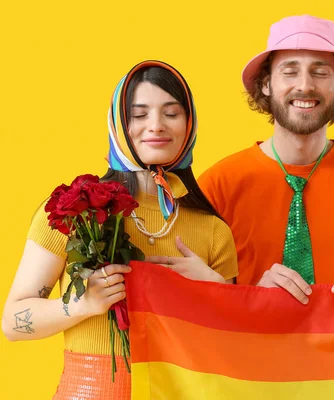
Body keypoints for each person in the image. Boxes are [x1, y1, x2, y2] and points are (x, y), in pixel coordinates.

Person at [2, 60, 238, 398]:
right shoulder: (74, 210)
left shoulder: (213, 230)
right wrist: (81, 305)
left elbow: (229, 348)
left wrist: (214, 290)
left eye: (171, 113)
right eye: (139, 115)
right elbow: (12, 324)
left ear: (190, 125)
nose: (155, 126)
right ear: (118, 124)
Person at [198, 15, 334, 303]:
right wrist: (251, 299)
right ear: (266, 84)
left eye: (320, 72)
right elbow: (202, 308)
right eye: (289, 71)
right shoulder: (217, 185)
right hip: (251, 347)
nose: (305, 86)